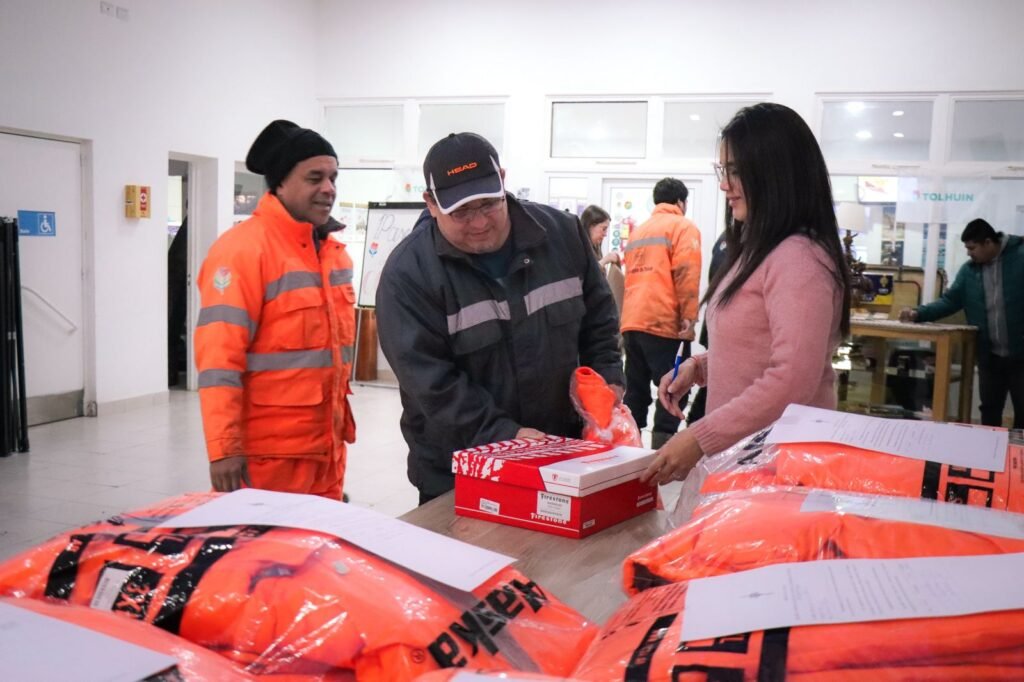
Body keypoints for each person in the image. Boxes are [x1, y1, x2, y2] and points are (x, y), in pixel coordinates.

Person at [376, 132, 624, 504]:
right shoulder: (409, 275)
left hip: (564, 456)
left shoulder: (563, 235)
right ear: (431, 203)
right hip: (460, 472)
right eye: (461, 212)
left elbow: (599, 320)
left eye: (489, 203)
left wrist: (608, 380)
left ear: (503, 180)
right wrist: (502, 436)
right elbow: (429, 382)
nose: (479, 222)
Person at [641, 103, 851, 485]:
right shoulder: (758, 250)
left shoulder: (799, 258)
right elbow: (756, 347)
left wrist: (698, 438)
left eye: (736, 172)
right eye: (724, 171)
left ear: (775, 174)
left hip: (778, 468)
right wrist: (700, 368)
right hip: (748, 460)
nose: (725, 185)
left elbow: (793, 379)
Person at [194, 119, 357, 499]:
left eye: (333, 178)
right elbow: (219, 361)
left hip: (327, 452)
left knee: (318, 538)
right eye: (315, 178)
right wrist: (224, 448)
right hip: (267, 459)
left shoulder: (333, 253)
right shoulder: (242, 251)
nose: (329, 189)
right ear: (280, 183)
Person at [900, 219, 1023, 428]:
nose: (968, 253)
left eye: (972, 248)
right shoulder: (969, 272)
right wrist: (918, 313)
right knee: (989, 409)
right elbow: (950, 301)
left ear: (988, 242)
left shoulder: (1020, 258)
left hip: (1021, 354)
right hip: (989, 355)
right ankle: (988, 448)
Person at [620, 178, 702, 449]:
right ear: (681, 202)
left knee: (636, 391)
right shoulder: (683, 227)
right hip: (664, 323)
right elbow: (686, 272)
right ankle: (661, 452)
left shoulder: (638, 232)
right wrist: (689, 318)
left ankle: (628, 452)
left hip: (632, 321)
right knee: (674, 389)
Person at [684, 230, 728, 425]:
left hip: (636, 319)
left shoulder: (725, 238)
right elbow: (686, 277)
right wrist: (688, 318)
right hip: (668, 323)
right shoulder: (684, 229)